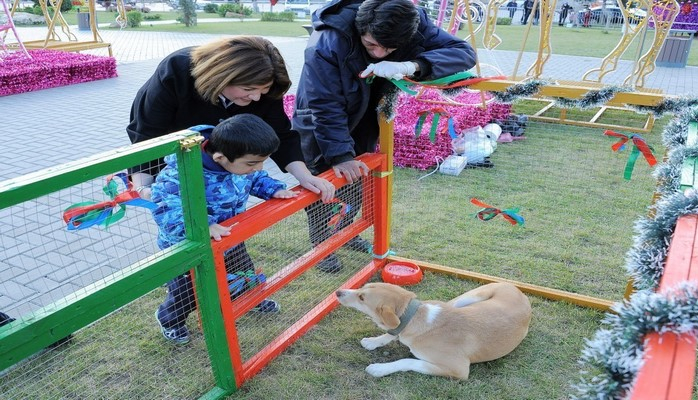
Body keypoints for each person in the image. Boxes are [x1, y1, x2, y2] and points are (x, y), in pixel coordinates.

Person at [292, 0, 477, 273]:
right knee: (325, 185)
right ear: (359, 28)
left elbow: (463, 53)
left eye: (389, 49)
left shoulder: (414, 22)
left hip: (366, 114)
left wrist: (412, 65)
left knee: (359, 182)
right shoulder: (327, 40)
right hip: (321, 121)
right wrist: (340, 155)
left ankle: (346, 231)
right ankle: (321, 244)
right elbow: (325, 104)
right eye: (370, 45)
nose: (379, 54)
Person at [126, 35, 334, 204]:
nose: (256, 98)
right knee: (185, 222)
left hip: (225, 163)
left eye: (264, 89)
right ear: (222, 77)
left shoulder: (265, 88)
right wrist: (144, 186)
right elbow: (146, 133)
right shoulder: (176, 70)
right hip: (177, 163)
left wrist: (305, 176)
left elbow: (281, 133)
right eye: (248, 89)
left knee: (225, 214)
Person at [152, 114, 300, 344]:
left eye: (263, 161)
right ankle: (170, 319)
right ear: (220, 157)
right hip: (186, 246)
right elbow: (166, 209)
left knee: (244, 272)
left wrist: (274, 189)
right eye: (252, 163)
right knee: (187, 292)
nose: (258, 167)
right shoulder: (179, 174)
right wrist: (202, 227)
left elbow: (257, 178)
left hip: (229, 238)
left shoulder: (240, 161)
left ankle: (250, 299)